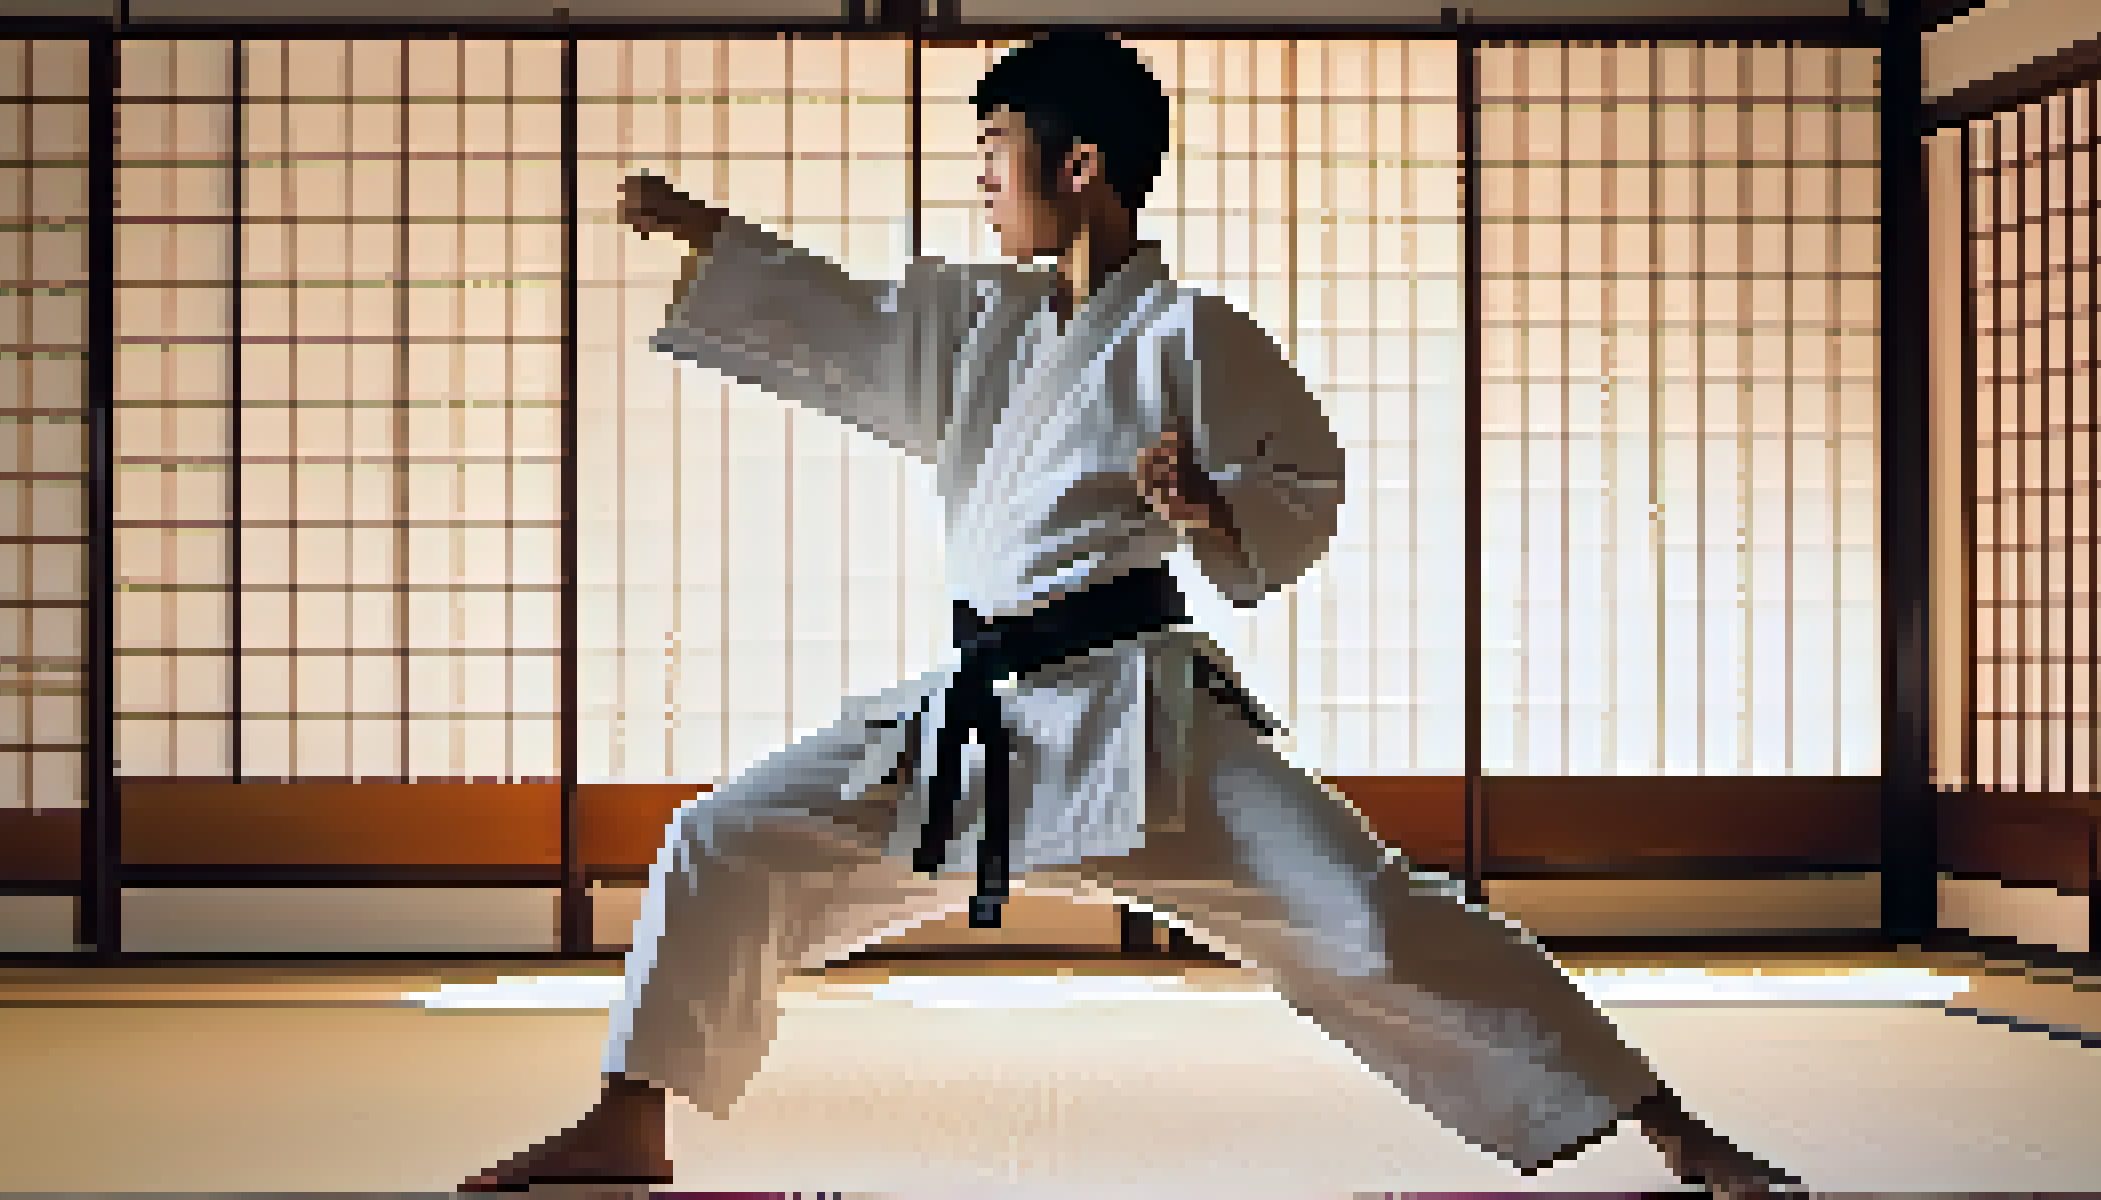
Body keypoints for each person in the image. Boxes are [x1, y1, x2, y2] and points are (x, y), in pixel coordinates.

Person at [458, 30, 1802, 1196]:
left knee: (1372, 916)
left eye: (996, 145)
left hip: (1143, 723)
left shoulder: (1189, 335)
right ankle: (630, 1122)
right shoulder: (983, 324)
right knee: (725, 837)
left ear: (1079, 163)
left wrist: (1210, 503)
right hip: (980, 725)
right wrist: (709, 238)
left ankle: (1669, 1127)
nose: (981, 175)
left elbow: (1306, 487)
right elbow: (859, 326)